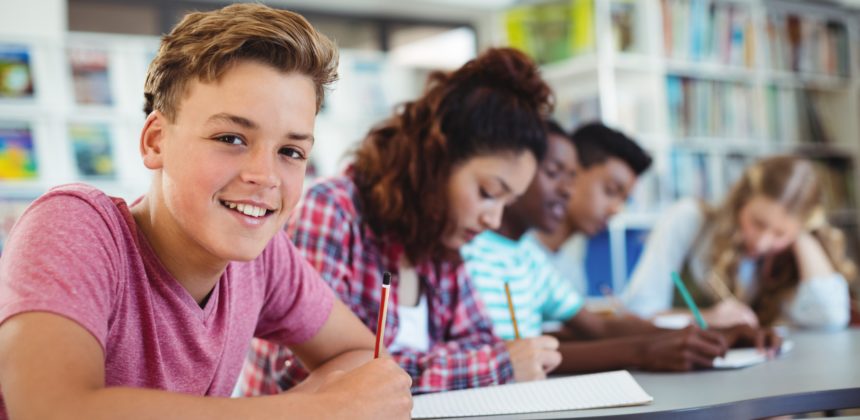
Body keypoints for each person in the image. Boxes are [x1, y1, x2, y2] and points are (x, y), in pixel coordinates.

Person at [0, 4, 412, 419]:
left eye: (290, 151)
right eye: (231, 138)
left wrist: (333, 403)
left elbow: (359, 352)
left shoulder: (263, 260)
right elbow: (50, 409)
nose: (265, 176)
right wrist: (316, 410)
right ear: (156, 141)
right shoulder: (74, 225)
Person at [239, 47, 563, 396]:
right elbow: (301, 373)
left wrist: (406, 363)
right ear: (437, 158)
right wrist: (491, 366)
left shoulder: (441, 242)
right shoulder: (333, 209)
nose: (493, 218)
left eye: (506, 203)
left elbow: (481, 341)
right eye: (487, 192)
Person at [463, 122, 782, 374]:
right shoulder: (468, 250)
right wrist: (644, 351)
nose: (566, 189)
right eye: (553, 173)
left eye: (571, 177)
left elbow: (598, 326)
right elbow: (504, 355)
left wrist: (717, 337)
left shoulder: (527, 257)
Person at [622, 155, 855, 330]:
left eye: (780, 233)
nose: (763, 242)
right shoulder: (689, 220)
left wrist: (802, 235)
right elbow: (635, 316)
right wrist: (705, 318)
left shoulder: (785, 258)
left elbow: (831, 318)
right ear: (741, 201)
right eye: (758, 223)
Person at [532, 122, 652, 296]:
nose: (615, 209)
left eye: (624, 200)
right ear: (573, 171)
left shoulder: (572, 271)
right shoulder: (517, 254)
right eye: (610, 190)